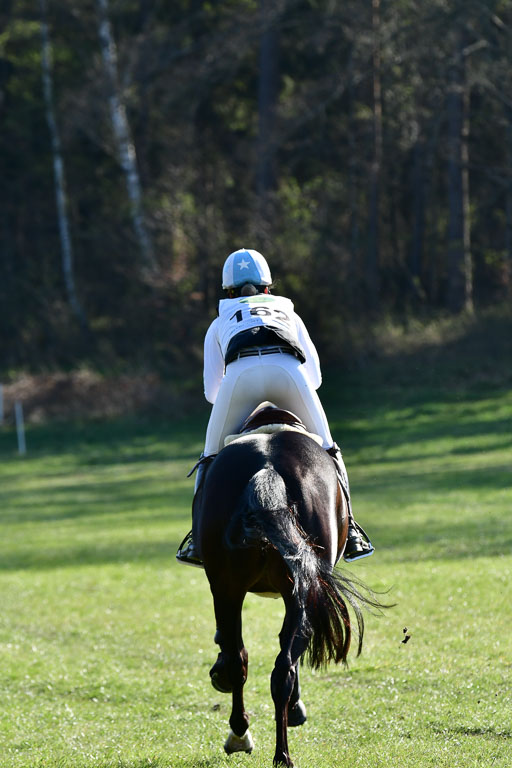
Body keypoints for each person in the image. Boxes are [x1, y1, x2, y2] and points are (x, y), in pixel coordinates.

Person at [176, 248, 373, 566]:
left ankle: (196, 540)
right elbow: (316, 378)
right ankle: (350, 531)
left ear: (228, 290)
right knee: (328, 448)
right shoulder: (289, 314)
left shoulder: (219, 322)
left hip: (239, 375)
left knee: (210, 457)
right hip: (288, 371)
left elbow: (212, 392)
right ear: (268, 286)